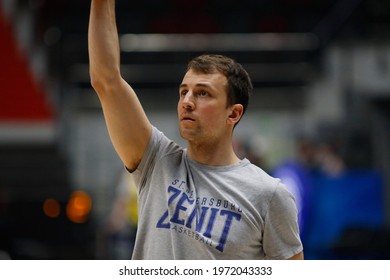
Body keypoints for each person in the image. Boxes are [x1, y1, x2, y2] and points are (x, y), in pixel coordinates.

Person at [88, 0, 303, 260]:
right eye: (183, 92)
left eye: (202, 93)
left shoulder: (269, 195)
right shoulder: (156, 160)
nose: (187, 101)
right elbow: (106, 80)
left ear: (233, 113)